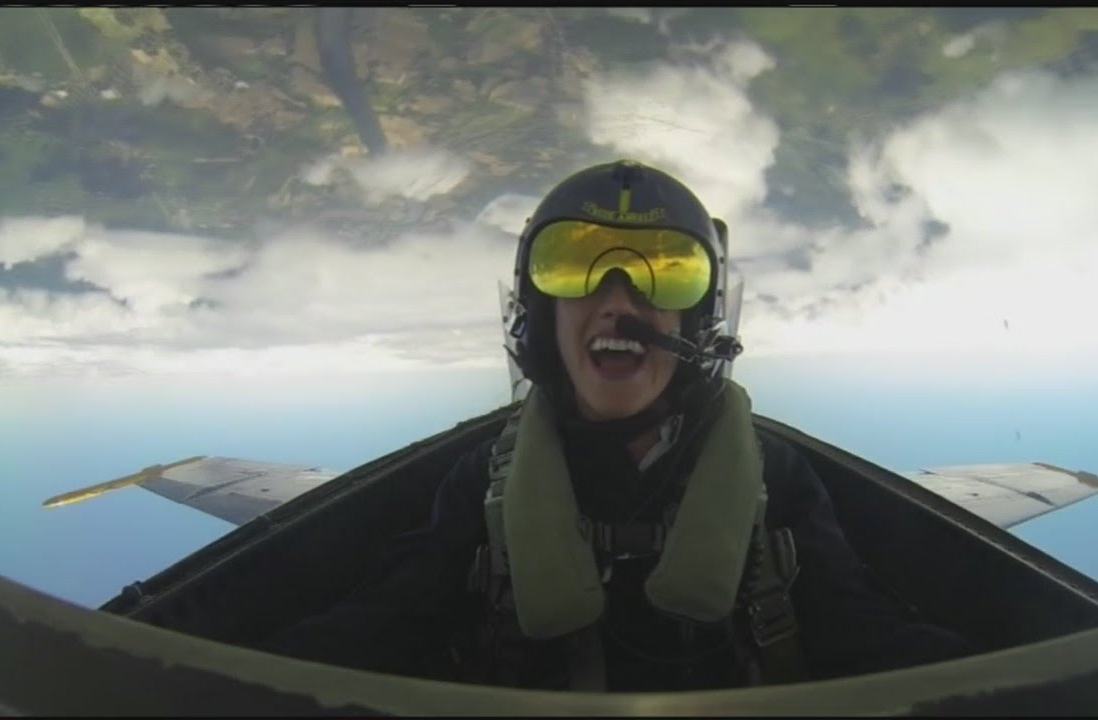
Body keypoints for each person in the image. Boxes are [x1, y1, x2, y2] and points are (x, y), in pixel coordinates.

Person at [253, 160, 973, 691]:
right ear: (540, 315)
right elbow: (387, 618)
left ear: (702, 319)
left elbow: (866, 630)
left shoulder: (774, 478)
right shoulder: (482, 481)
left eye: (668, 270)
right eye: (574, 265)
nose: (618, 299)